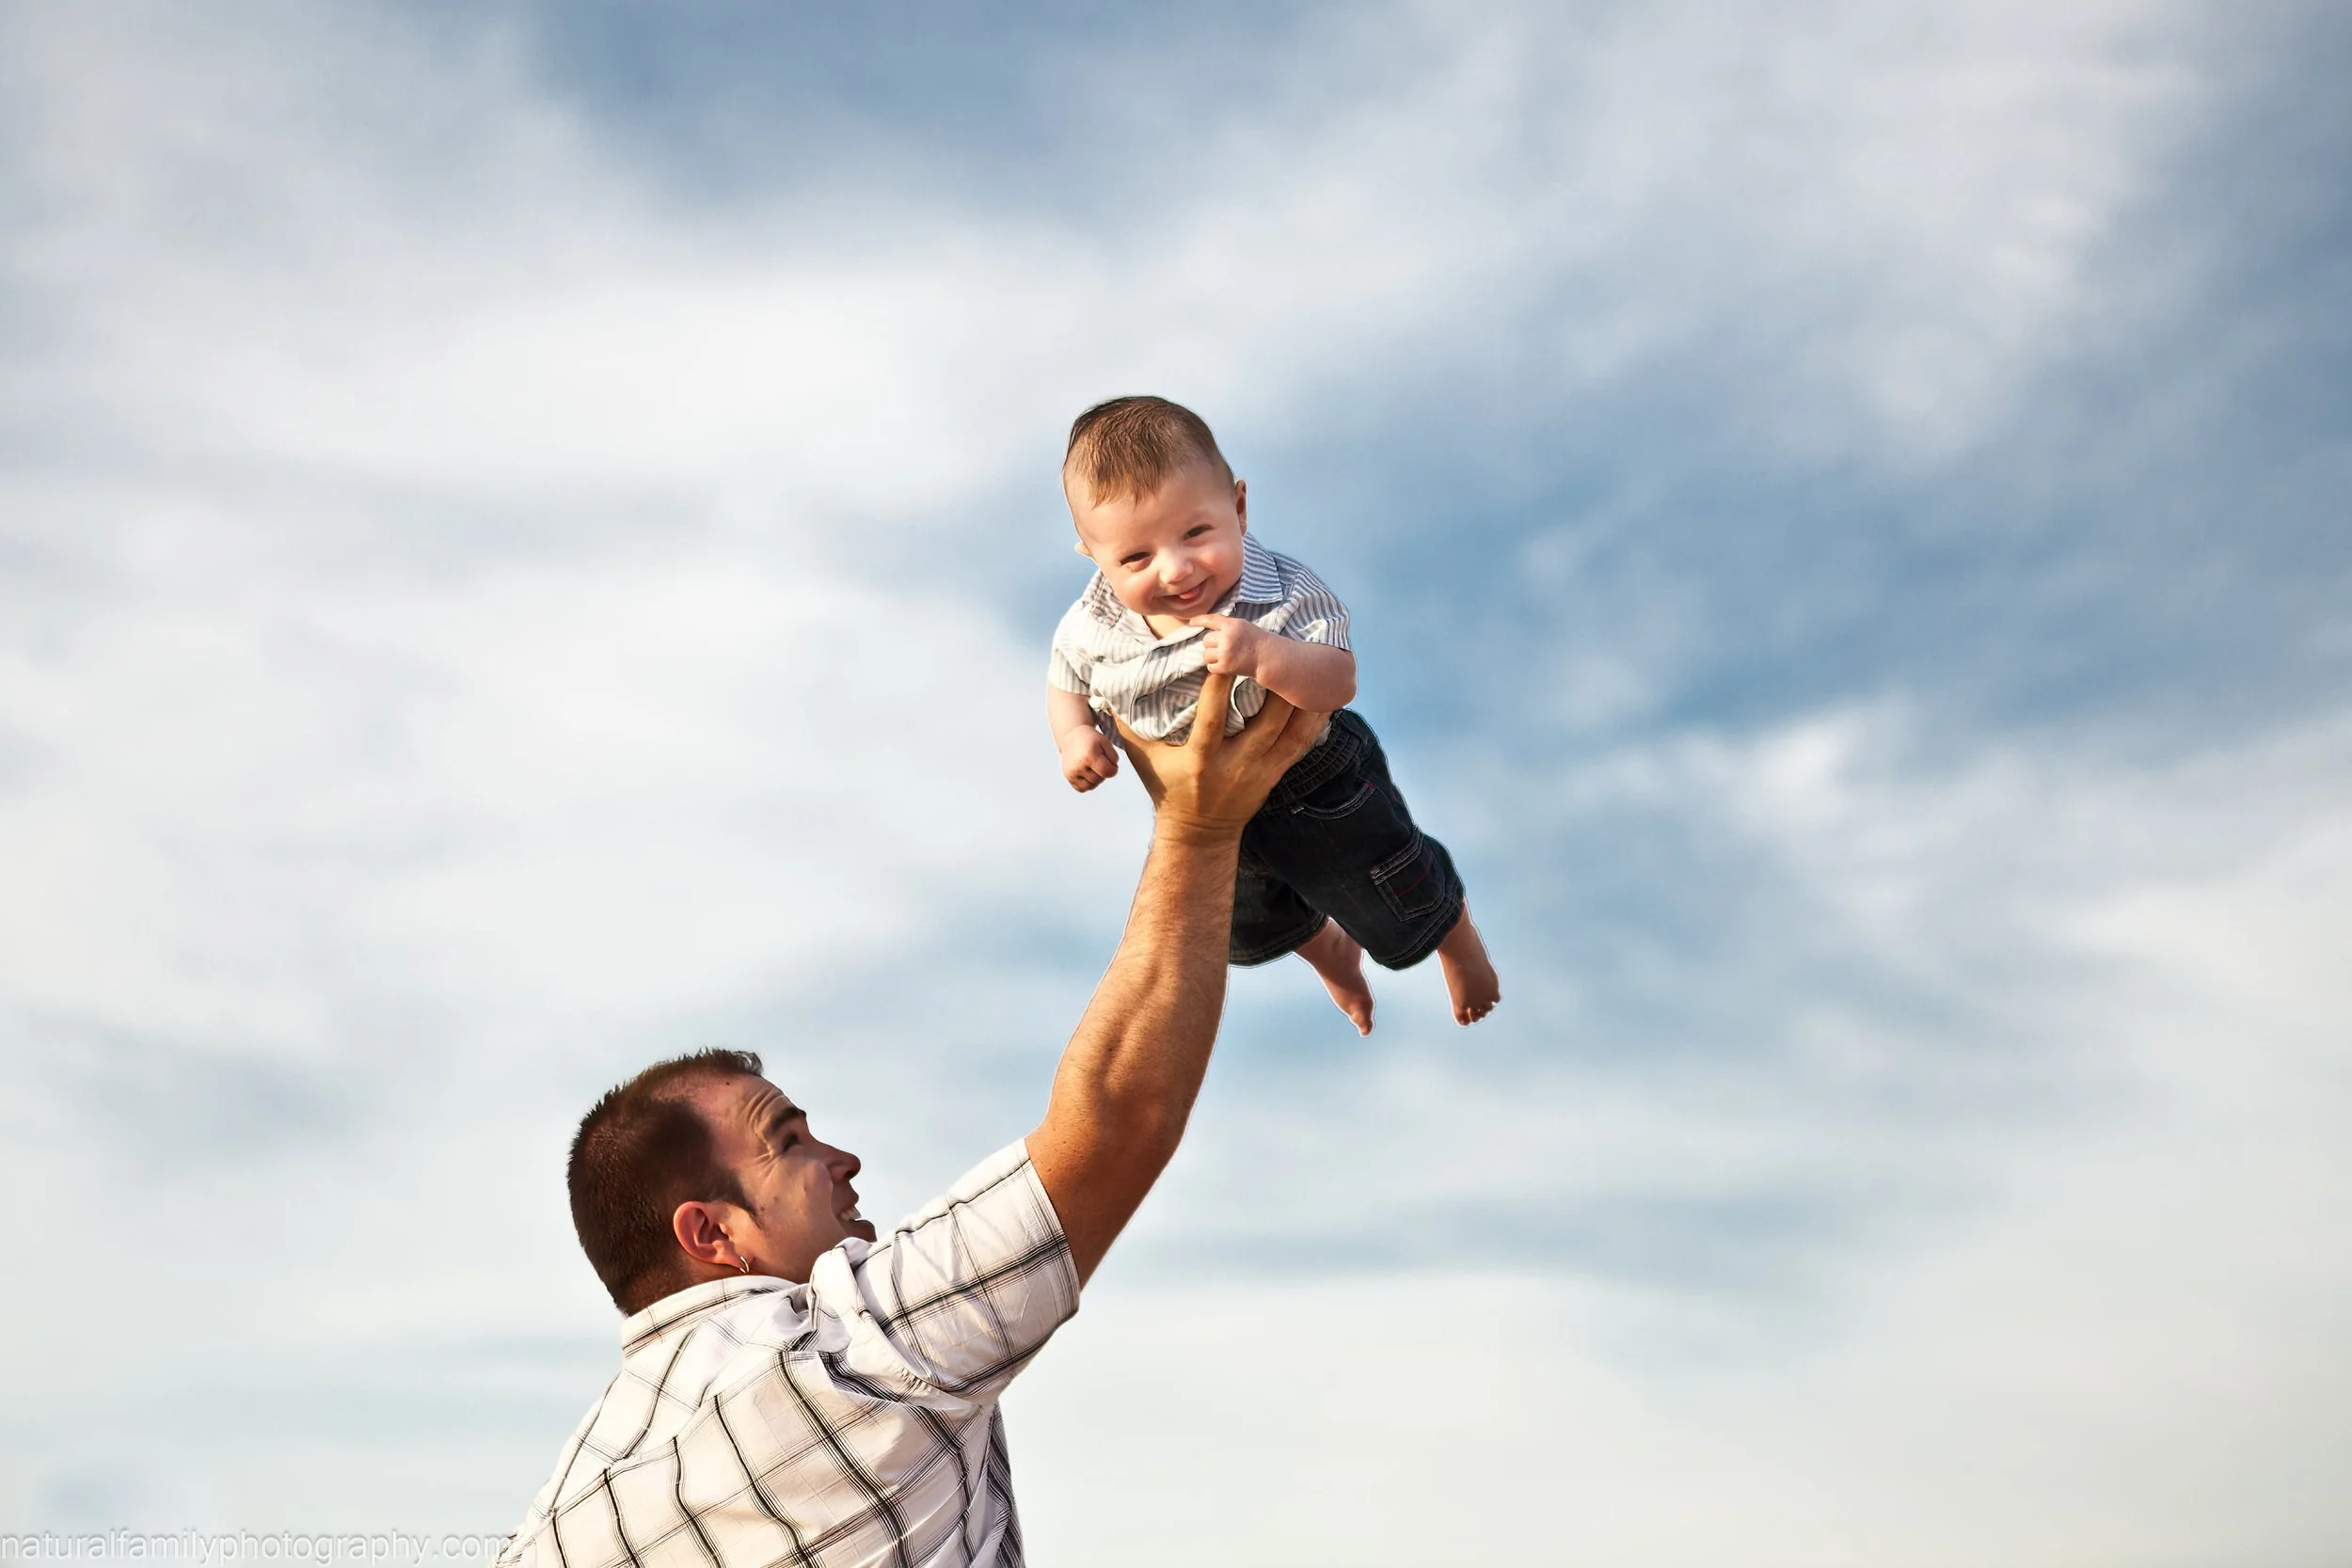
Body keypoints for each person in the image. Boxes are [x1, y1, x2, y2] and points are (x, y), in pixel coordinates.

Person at [495, 675, 1327, 1568]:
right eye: (789, 1141)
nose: (844, 1159)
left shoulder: (572, 1508)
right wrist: (1200, 827)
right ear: (711, 1232)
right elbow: (1116, 1120)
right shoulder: (839, 1365)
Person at [1045, 395, 1501, 1034]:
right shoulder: (1095, 620)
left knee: (1389, 885)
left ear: (1237, 507)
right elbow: (1066, 677)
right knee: (1249, 921)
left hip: (1314, 781)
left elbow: (1338, 679)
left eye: (1195, 533)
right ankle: (1332, 955)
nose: (1175, 569)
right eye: (1136, 558)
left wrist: (1265, 653)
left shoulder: (1283, 592)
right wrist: (1074, 737)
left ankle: (1456, 940)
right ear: (1095, 557)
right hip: (1203, 805)